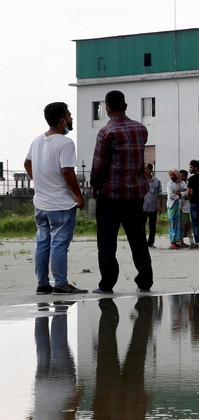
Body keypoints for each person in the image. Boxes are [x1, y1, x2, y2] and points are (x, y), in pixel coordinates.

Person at [90, 90, 153, 293]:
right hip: (135, 195)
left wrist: (94, 185)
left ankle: (107, 284)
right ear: (125, 106)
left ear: (107, 109)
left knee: (107, 242)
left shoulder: (106, 132)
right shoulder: (141, 129)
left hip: (110, 195)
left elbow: (99, 164)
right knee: (138, 240)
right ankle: (144, 281)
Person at [24, 101, 87, 294]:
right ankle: (61, 283)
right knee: (59, 244)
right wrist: (78, 195)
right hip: (60, 203)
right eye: (69, 115)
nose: (71, 118)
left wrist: (41, 181)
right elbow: (67, 171)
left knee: (42, 243)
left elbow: (27, 164)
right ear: (62, 120)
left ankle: (43, 283)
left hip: (41, 203)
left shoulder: (37, 140)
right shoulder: (65, 142)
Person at [142, 164, 163, 247]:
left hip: (153, 207)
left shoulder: (157, 182)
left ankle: (150, 243)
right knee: (141, 225)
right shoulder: (141, 180)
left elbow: (160, 195)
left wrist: (160, 206)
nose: (145, 171)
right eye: (144, 169)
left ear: (151, 170)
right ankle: (142, 242)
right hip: (142, 207)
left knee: (152, 226)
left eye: (146, 169)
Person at [166, 168, 186, 249]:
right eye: (170, 175)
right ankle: (172, 242)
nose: (171, 176)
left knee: (178, 223)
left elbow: (186, 191)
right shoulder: (169, 184)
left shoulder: (182, 183)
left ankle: (176, 241)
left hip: (179, 206)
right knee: (172, 223)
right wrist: (179, 195)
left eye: (173, 174)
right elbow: (170, 195)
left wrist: (180, 194)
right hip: (172, 205)